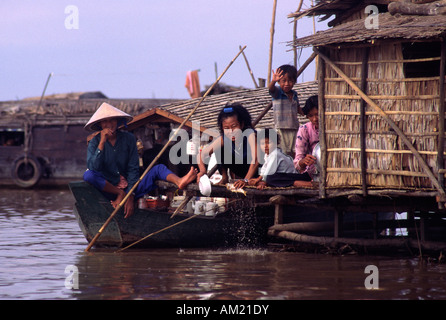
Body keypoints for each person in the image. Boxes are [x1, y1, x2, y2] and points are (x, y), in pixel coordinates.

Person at [83, 102, 197, 218]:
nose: (109, 124)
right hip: (109, 190)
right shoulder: (94, 142)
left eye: (112, 120)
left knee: (158, 169)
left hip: (130, 188)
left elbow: (133, 168)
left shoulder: (128, 139)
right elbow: (94, 168)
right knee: (88, 175)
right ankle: (119, 193)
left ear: (117, 121)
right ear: (100, 124)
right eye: (105, 121)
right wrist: (102, 142)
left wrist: (129, 195)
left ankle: (179, 181)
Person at [197, 103, 258, 189]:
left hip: (256, 172)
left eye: (234, 126)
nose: (231, 131)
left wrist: (246, 180)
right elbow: (201, 155)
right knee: (218, 148)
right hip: (238, 169)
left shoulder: (250, 135)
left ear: (242, 124)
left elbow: (255, 160)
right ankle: (225, 176)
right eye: (226, 128)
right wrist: (202, 171)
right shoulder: (223, 139)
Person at [268, 64, 304, 158]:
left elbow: (298, 108)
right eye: (284, 81)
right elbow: (270, 88)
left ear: (294, 81)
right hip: (281, 127)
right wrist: (273, 81)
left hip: (294, 127)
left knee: (294, 151)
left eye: (290, 81)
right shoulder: (278, 92)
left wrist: (307, 113)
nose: (287, 84)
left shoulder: (295, 94)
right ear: (279, 82)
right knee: (283, 152)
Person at [294, 95, 319, 178]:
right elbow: (297, 162)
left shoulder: (334, 128)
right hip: (313, 173)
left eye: (318, 114)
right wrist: (304, 161)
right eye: (310, 116)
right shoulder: (304, 130)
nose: (315, 119)